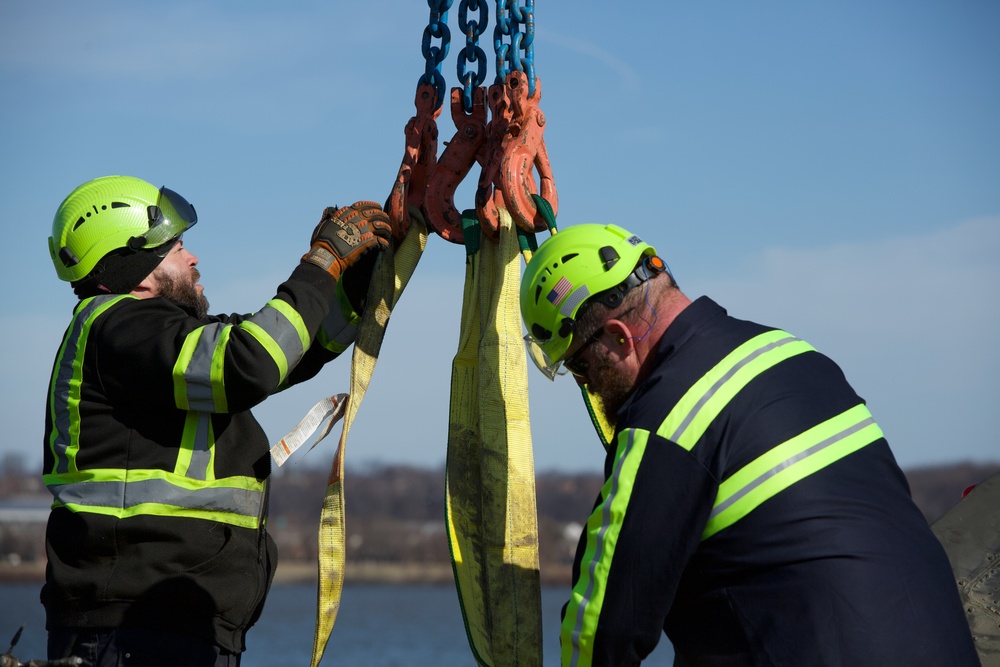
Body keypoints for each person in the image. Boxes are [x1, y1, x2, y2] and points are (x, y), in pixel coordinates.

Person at [520, 223, 979, 666]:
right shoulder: (796, 356)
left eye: (580, 368)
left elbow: (600, 630)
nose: (589, 387)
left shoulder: (667, 423)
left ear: (619, 338)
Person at [42, 175, 393, 666]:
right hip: (131, 634)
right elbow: (252, 361)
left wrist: (347, 287)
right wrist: (320, 264)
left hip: (168, 631)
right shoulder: (119, 328)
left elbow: (286, 352)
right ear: (138, 267)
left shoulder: (156, 341)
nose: (193, 258)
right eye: (177, 247)